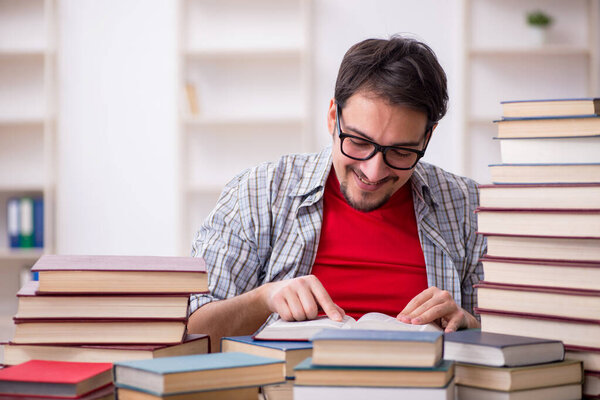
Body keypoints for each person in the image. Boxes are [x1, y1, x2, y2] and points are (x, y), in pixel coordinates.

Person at [187, 35, 486, 350]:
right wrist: (264, 298)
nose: (373, 171)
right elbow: (192, 331)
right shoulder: (259, 192)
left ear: (427, 137)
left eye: (400, 152)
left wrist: (472, 327)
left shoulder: (469, 207)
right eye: (358, 142)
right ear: (333, 117)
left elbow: (522, 340)